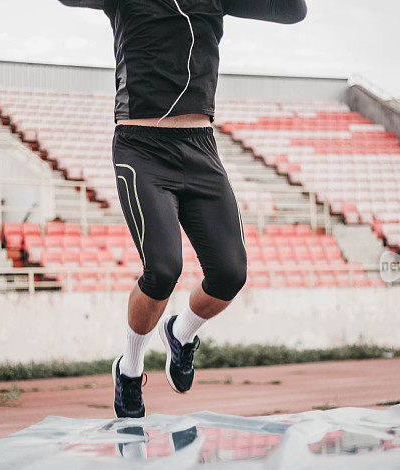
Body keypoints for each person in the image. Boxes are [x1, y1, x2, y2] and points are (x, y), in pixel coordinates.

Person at [57, 0, 308, 418]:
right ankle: (130, 369)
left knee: (230, 273)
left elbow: (293, 10)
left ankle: (181, 332)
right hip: (141, 145)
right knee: (163, 271)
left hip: (200, 147)